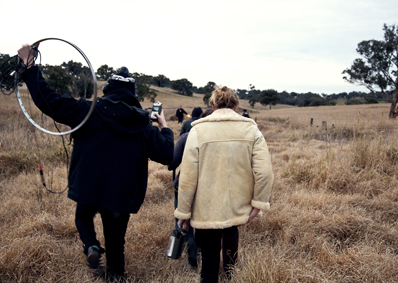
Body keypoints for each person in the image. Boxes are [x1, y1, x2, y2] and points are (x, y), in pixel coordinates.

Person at [18, 44, 174, 281]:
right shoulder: (143, 124)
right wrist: (163, 127)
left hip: (89, 188)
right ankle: (114, 275)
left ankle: (90, 245)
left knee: (82, 217)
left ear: (108, 89)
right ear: (132, 93)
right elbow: (167, 154)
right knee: (116, 245)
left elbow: (48, 100)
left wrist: (30, 67)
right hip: (121, 197)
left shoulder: (87, 111)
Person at [175, 86, 273, 283]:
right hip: (237, 206)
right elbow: (264, 172)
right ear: (236, 106)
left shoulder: (198, 130)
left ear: (212, 105)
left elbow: (187, 177)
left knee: (209, 264)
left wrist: (183, 213)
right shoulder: (251, 129)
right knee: (231, 240)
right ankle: (230, 274)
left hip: (206, 208)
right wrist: (259, 203)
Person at [168, 109, 214, 269]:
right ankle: (200, 247)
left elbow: (172, 163)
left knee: (182, 219)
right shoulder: (221, 142)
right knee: (202, 222)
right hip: (209, 188)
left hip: (184, 186)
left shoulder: (186, 137)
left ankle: (189, 243)